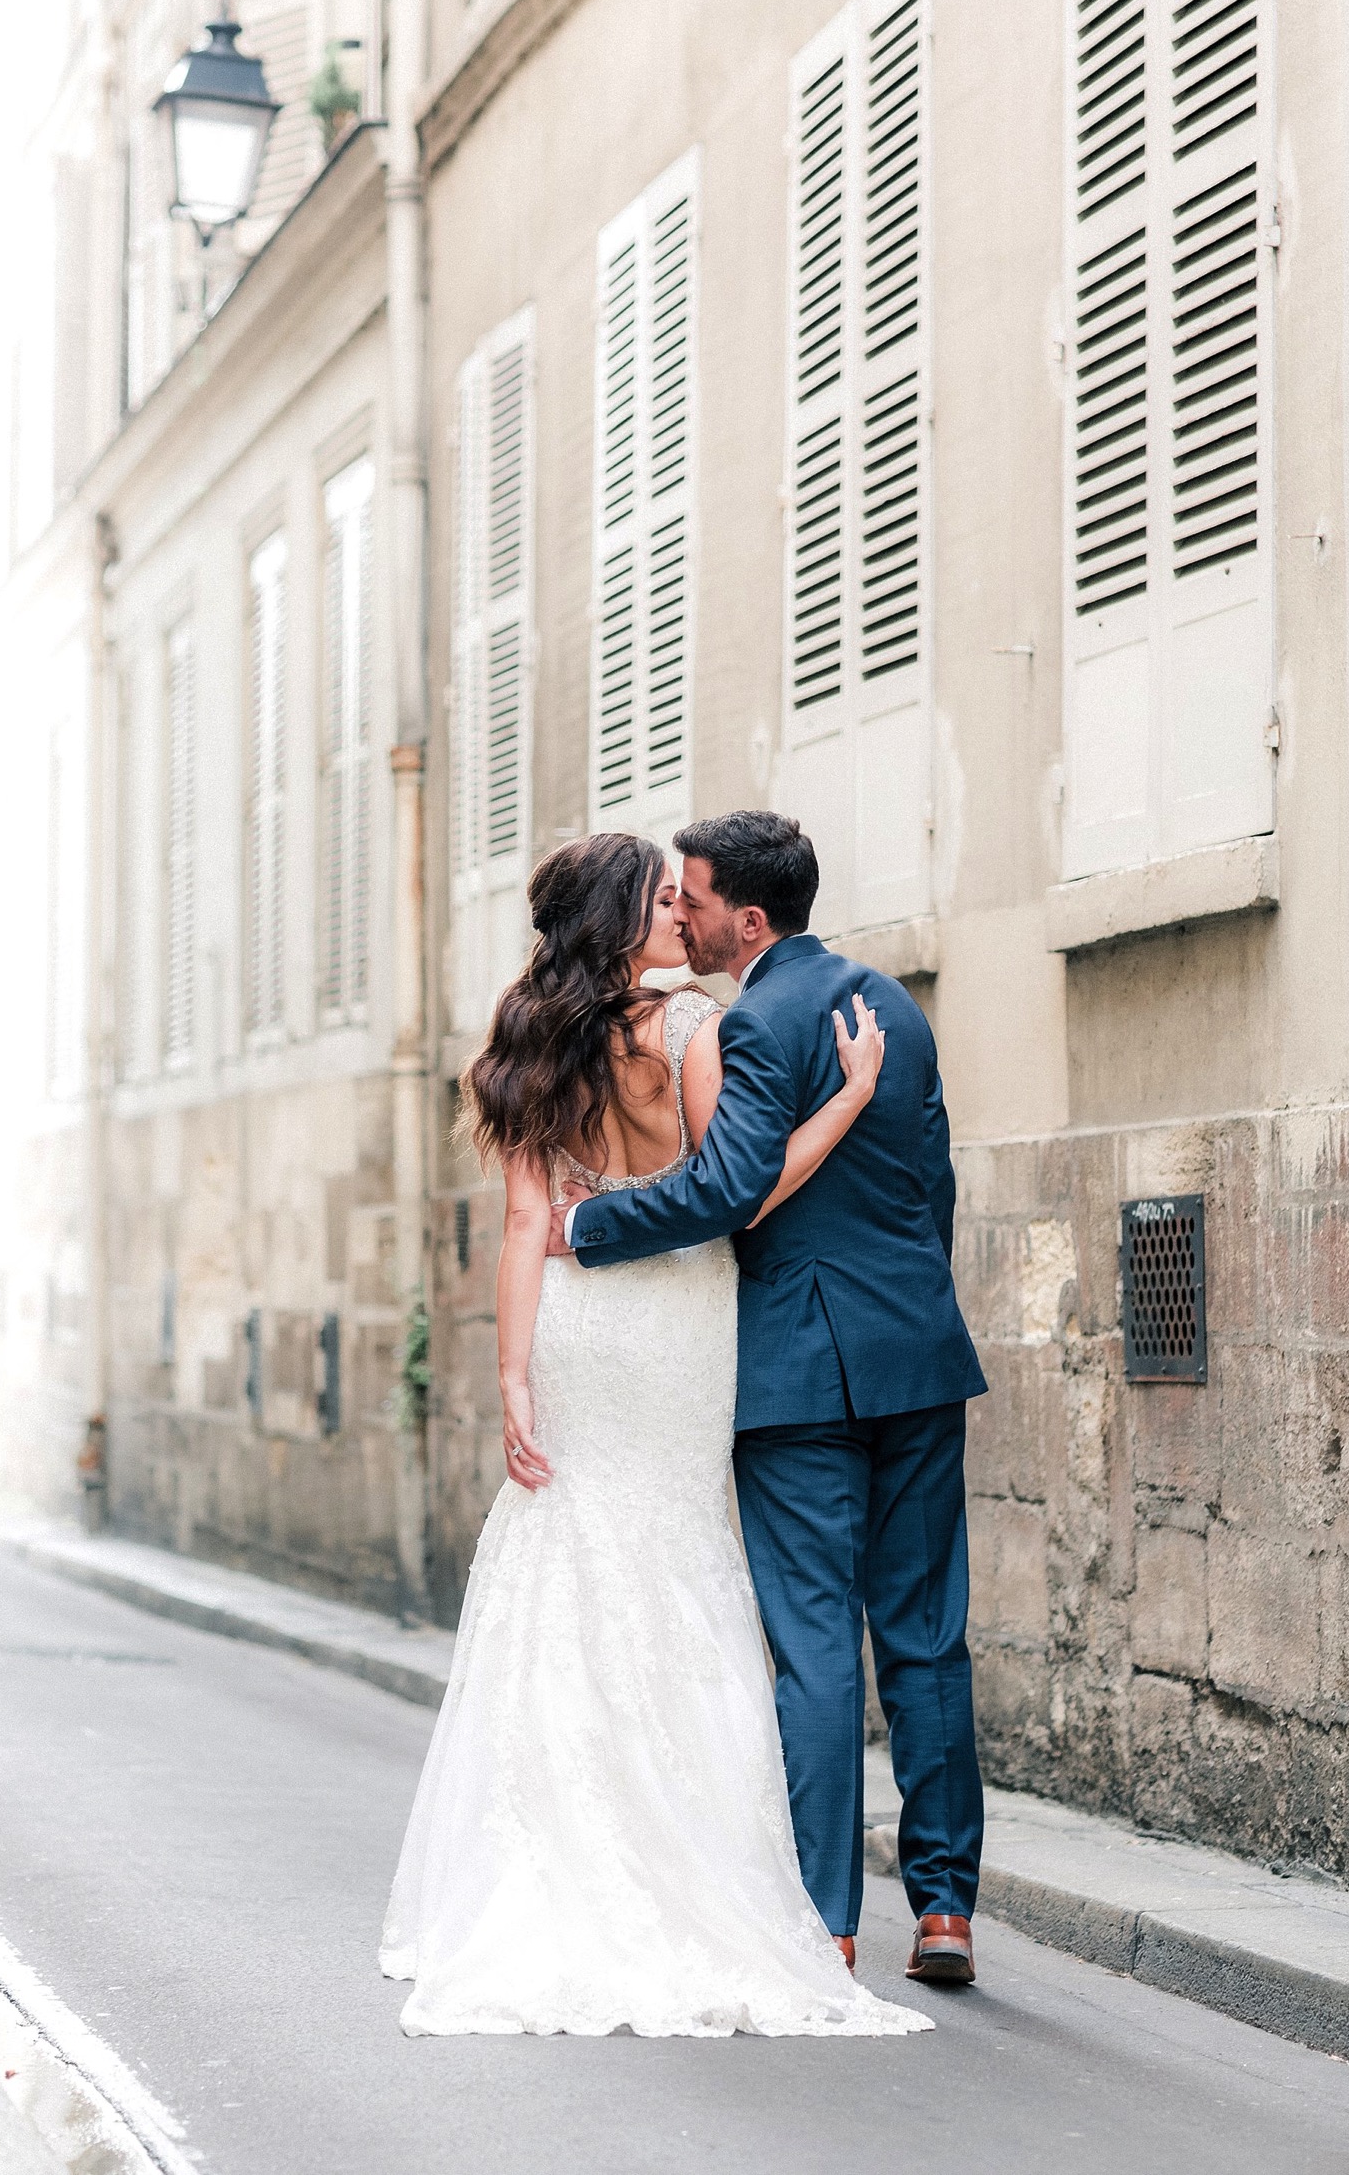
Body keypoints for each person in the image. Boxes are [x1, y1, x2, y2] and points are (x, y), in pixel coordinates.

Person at [380, 830, 930, 2041]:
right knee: (680, 1564)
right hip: (679, 1322)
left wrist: (513, 1374)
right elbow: (737, 1194)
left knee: (568, 1554)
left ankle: (548, 1856)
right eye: (664, 901)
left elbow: (528, 1223)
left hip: (577, 1326)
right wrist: (841, 1103)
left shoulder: (530, 1040)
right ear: (629, 920)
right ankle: (687, 1852)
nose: (684, 914)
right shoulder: (689, 1033)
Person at [554, 811, 988, 1988]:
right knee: (927, 1637)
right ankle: (945, 1912)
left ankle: (827, 1925)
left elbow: (729, 1186)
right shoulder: (890, 1008)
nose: (677, 914)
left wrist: (585, 1227)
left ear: (746, 918)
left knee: (812, 1651)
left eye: (688, 898)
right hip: (916, 1358)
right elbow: (929, 1188)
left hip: (796, 1373)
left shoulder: (751, 1023)